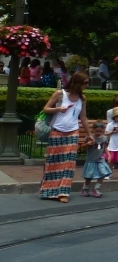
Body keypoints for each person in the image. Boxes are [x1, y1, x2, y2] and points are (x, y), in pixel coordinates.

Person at [40, 72, 93, 203]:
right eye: (85, 83)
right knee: (53, 162)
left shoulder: (82, 98)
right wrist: (59, 109)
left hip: (72, 132)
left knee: (68, 163)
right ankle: (49, 191)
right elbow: (45, 109)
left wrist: (89, 134)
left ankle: (63, 192)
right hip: (57, 131)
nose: (87, 85)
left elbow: (83, 118)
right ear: (77, 83)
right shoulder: (60, 94)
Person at [81, 122, 110, 197]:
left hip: (100, 159)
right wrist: (88, 144)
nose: (99, 133)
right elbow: (82, 147)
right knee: (89, 176)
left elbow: (105, 147)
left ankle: (96, 189)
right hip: (91, 160)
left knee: (103, 173)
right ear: (93, 130)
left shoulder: (104, 138)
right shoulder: (89, 137)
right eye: (97, 131)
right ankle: (85, 188)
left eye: (101, 131)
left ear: (103, 131)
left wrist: (109, 155)